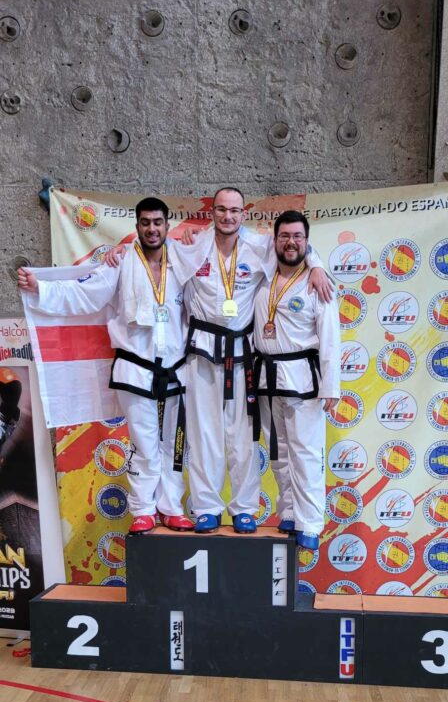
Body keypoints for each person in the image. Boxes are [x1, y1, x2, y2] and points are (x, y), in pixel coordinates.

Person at [108, 187, 332, 533]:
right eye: (222, 210)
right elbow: (151, 249)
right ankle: (207, 507)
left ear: (244, 214)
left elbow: (293, 246)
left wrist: (315, 266)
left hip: (242, 354)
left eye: (234, 211)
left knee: (243, 437)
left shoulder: (260, 247)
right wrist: (119, 251)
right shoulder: (192, 247)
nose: (228, 216)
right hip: (200, 353)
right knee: (202, 435)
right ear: (212, 213)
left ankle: (244, 508)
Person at [18, 197, 194, 534]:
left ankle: (172, 507)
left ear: (167, 226)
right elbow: (85, 294)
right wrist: (42, 288)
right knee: (145, 443)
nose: (152, 229)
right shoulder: (121, 261)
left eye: (158, 222)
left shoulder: (183, 260)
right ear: (137, 226)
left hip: (176, 369)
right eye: (145, 222)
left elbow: (218, 259)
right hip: (135, 368)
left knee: (175, 444)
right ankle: (144, 509)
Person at [253, 210, 340, 550]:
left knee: (305, 453)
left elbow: (330, 338)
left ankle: (310, 523)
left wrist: (331, 386)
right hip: (267, 377)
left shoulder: (318, 282)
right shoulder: (262, 274)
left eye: (298, 237)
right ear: (275, 240)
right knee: (279, 452)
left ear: (307, 241)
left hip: (303, 378)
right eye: (284, 236)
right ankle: (288, 511)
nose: (291, 242)